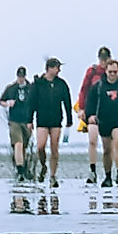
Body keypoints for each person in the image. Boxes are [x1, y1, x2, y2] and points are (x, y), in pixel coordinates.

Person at [85, 60, 118, 187]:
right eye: (110, 72)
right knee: (107, 150)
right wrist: (90, 115)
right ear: (106, 72)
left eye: (115, 72)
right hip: (103, 121)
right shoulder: (98, 86)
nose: (113, 74)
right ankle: (107, 176)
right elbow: (90, 102)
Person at [28, 58, 75, 187]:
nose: (58, 70)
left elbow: (67, 101)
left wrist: (69, 118)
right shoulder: (38, 84)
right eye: (56, 68)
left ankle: (53, 176)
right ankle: (43, 166)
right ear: (49, 68)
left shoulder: (61, 84)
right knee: (40, 146)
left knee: (54, 148)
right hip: (42, 119)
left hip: (56, 119)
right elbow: (31, 103)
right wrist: (29, 120)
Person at [77, 46, 113, 184]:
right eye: (102, 59)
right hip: (92, 111)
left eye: (106, 59)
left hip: (109, 114)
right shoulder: (92, 72)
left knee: (107, 146)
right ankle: (92, 170)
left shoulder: (114, 72)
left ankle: (108, 174)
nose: (104, 62)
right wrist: (81, 109)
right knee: (92, 140)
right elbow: (83, 90)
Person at [0, 67, 36, 181]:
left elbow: (35, 103)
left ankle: (24, 168)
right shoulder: (11, 88)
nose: (21, 78)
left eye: (23, 76)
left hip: (26, 120)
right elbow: (1, 101)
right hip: (14, 120)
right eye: (19, 76)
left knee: (24, 146)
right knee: (18, 144)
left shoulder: (30, 88)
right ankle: (20, 170)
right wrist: (8, 103)